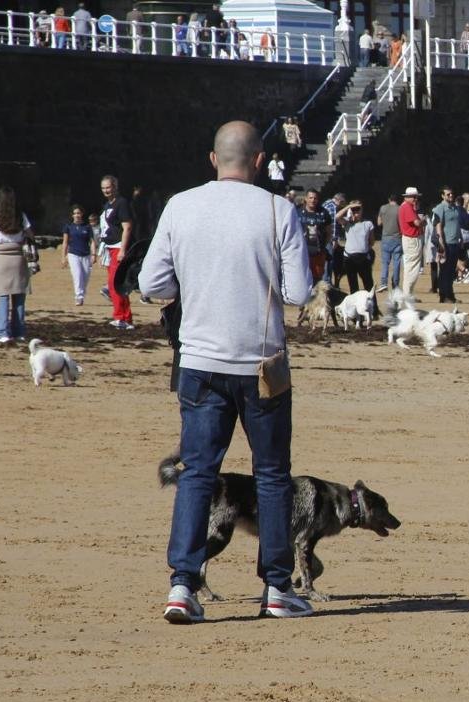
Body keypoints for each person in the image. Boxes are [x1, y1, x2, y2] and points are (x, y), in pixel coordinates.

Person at [139, 120, 313, 624]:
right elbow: (299, 293)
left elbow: (151, 282)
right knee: (273, 476)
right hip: (262, 364)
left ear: (213, 159)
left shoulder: (181, 205)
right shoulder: (278, 210)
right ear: (259, 161)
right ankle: (277, 588)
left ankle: (182, 585)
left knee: (198, 473)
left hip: (199, 360)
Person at [0, 186, 35, 345]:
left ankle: (1, 331)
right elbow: (30, 234)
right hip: (18, 257)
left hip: (0, 257)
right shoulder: (21, 216)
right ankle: (19, 331)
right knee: (19, 296)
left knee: (2, 296)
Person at [99, 175, 134, 329]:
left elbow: (127, 227)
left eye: (108, 187)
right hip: (109, 247)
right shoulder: (108, 205)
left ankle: (121, 317)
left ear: (115, 187)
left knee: (115, 283)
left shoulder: (121, 203)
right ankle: (125, 317)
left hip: (118, 247)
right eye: (103, 188)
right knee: (114, 283)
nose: (106, 190)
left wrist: (122, 250)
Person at [431, 186, 468, 304]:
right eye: (448, 194)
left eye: (452, 194)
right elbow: (438, 227)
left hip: (455, 243)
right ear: (442, 196)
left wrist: (461, 239)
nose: (451, 196)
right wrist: (441, 245)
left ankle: (449, 295)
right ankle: (445, 296)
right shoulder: (440, 208)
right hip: (446, 243)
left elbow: (457, 226)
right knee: (445, 271)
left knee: (451, 271)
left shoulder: (455, 209)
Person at [60, 205, 97, 305]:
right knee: (77, 275)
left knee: (85, 277)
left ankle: (81, 294)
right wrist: (63, 257)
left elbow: (92, 241)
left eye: (79, 213)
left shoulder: (87, 227)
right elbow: (65, 242)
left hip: (86, 255)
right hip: (73, 254)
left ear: (82, 214)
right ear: (72, 215)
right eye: (75, 213)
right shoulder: (68, 227)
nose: (77, 215)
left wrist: (94, 255)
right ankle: (78, 296)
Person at [339, 201, 375, 292]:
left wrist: (365, 249)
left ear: (362, 210)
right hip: (349, 258)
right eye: (354, 210)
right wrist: (349, 206)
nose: (356, 212)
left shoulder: (368, 223)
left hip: (363, 258)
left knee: (369, 285)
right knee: (353, 286)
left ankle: (373, 306)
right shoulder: (346, 223)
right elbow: (336, 217)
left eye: (358, 209)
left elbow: (372, 241)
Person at [298, 189, 332, 284]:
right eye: (310, 198)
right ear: (306, 198)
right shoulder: (298, 211)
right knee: (301, 278)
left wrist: (323, 245)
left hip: (318, 253)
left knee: (317, 279)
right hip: (301, 252)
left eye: (315, 198)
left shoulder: (324, 213)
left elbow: (329, 232)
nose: (313, 200)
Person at [398, 187, 426, 294]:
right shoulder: (407, 207)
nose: (416, 199)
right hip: (412, 239)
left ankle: (408, 293)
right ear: (407, 197)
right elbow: (417, 223)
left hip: (411, 238)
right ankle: (407, 294)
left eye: (416, 197)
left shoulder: (405, 207)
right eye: (414, 197)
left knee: (412, 267)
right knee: (413, 267)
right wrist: (423, 220)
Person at [375, 192, 402, 291]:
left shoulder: (383, 208)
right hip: (397, 238)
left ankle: (383, 283)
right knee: (397, 263)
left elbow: (379, 223)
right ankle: (395, 284)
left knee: (385, 262)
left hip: (386, 238)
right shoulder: (400, 209)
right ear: (397, 200)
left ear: (389, 199)